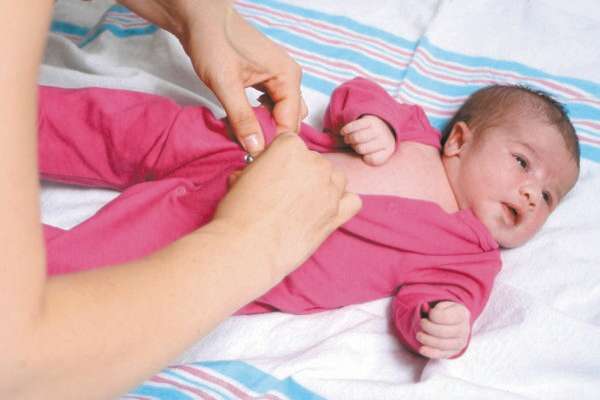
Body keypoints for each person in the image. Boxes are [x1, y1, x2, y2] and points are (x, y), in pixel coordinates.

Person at [37, 76, 580, 362]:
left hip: (225, 242)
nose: (531, 193)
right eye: (522, 163)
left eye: (549, 196)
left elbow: (433, 302)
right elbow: (357, 93)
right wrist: (375, 121)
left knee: (93, 275)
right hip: (244, 147)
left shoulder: (468, 256)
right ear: (459, 140)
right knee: (118, 125)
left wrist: (443, 321)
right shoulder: (413, 133)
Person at [0, 1, 360, 398]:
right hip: (246, 188)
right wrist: (251, 244)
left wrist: (197, 15)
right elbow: (19, 363)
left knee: (104, 237)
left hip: (255, 168)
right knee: (109, 129)